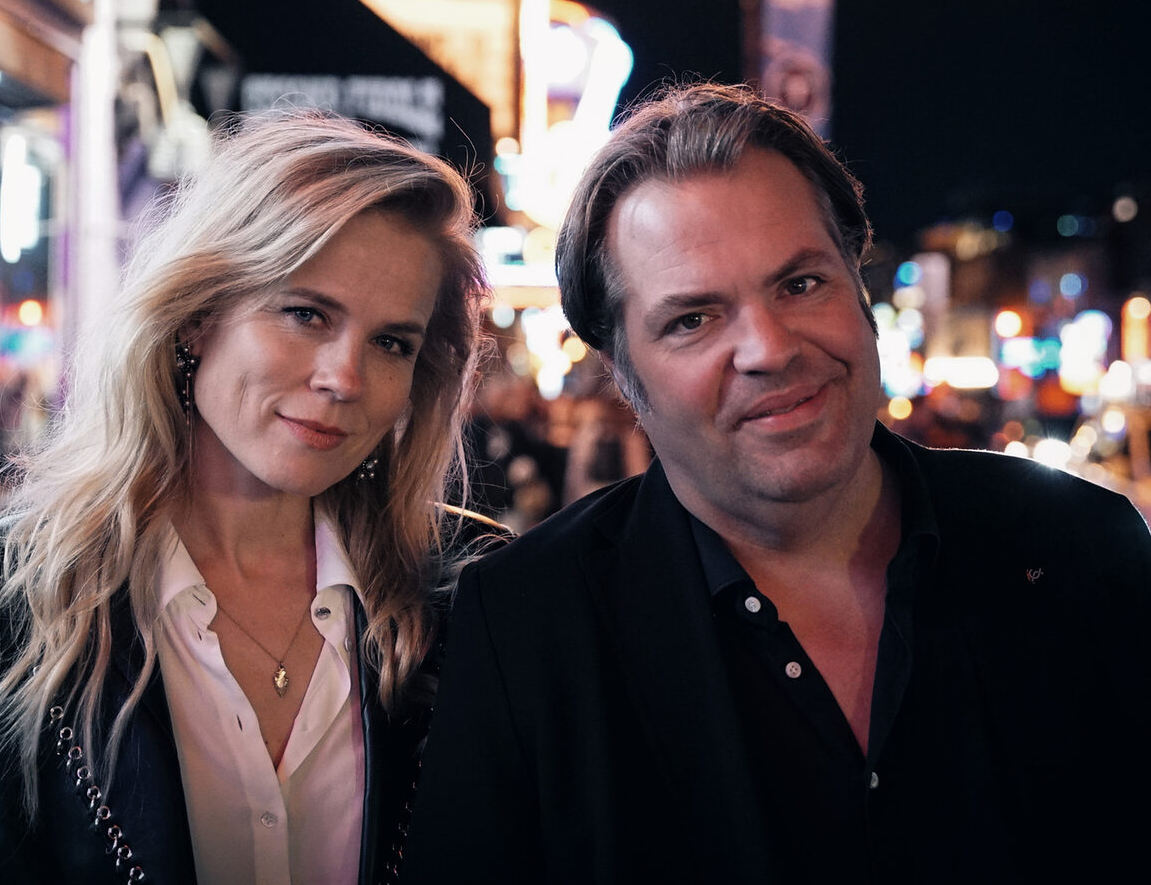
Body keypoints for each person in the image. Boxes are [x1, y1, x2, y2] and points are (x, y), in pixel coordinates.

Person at [403, 83, 1151, 883]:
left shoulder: (1080, 546)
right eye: (692, 320)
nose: (768, 348)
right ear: (621, 372)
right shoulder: (527, 626)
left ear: (858, 288)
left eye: (800, 284)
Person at [0, 109, 499, 884]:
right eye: (306, 314)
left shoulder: (471, 598)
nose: (344, 378)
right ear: (199, 317)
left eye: (391, 343)